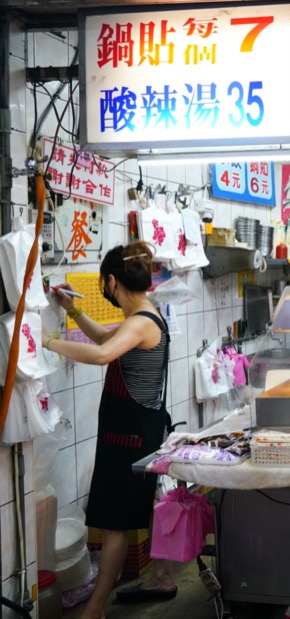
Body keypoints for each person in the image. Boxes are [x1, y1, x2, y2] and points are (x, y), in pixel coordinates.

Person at [45, 241, 177, 618]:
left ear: (112, 282)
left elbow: (103, 355)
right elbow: (105, 341)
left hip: (132, 435)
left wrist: (47, 342)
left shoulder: (141, 322)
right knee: (117, 522)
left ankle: (95, 610)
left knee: (117, 528)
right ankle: (143, 584)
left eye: (104, 284)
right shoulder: (141, 318)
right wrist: (76, 311)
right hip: (128, 431)